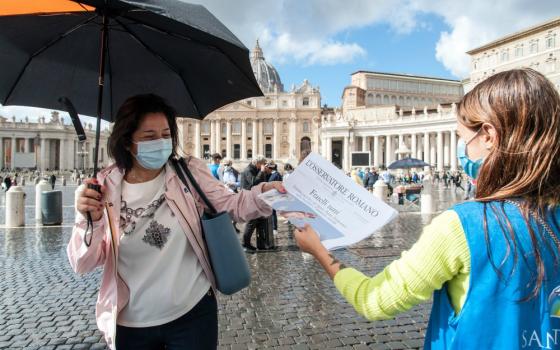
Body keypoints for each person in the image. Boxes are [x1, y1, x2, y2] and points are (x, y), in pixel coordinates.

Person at [291, 69, 560, 349]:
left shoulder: (462, 227)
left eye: (462, 138)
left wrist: (320, 252)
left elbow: (374, 300)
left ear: (489, 135)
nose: (462, 150)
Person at [67, 94, 285, 350]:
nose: (160, 143)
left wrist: (271, 191)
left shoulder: (188, 172)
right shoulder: (104, 187)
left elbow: (233, 205)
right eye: (149, 137)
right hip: (130, 322)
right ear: (127, 142)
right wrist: (89, 221)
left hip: (192, 312)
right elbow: (83, 263)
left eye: (166, 134)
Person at [239, 156, 269, 252]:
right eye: (263, 163)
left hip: (256, 198)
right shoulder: (248, 170)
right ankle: (245, 243)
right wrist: (261, 171)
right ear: (258, 163)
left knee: (260, 220)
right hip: (249, 199)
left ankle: (261, 244)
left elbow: (262, 182)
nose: (263, 165)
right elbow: (253, 182)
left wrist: (263, 172)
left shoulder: (256, 169)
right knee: (251, 222)